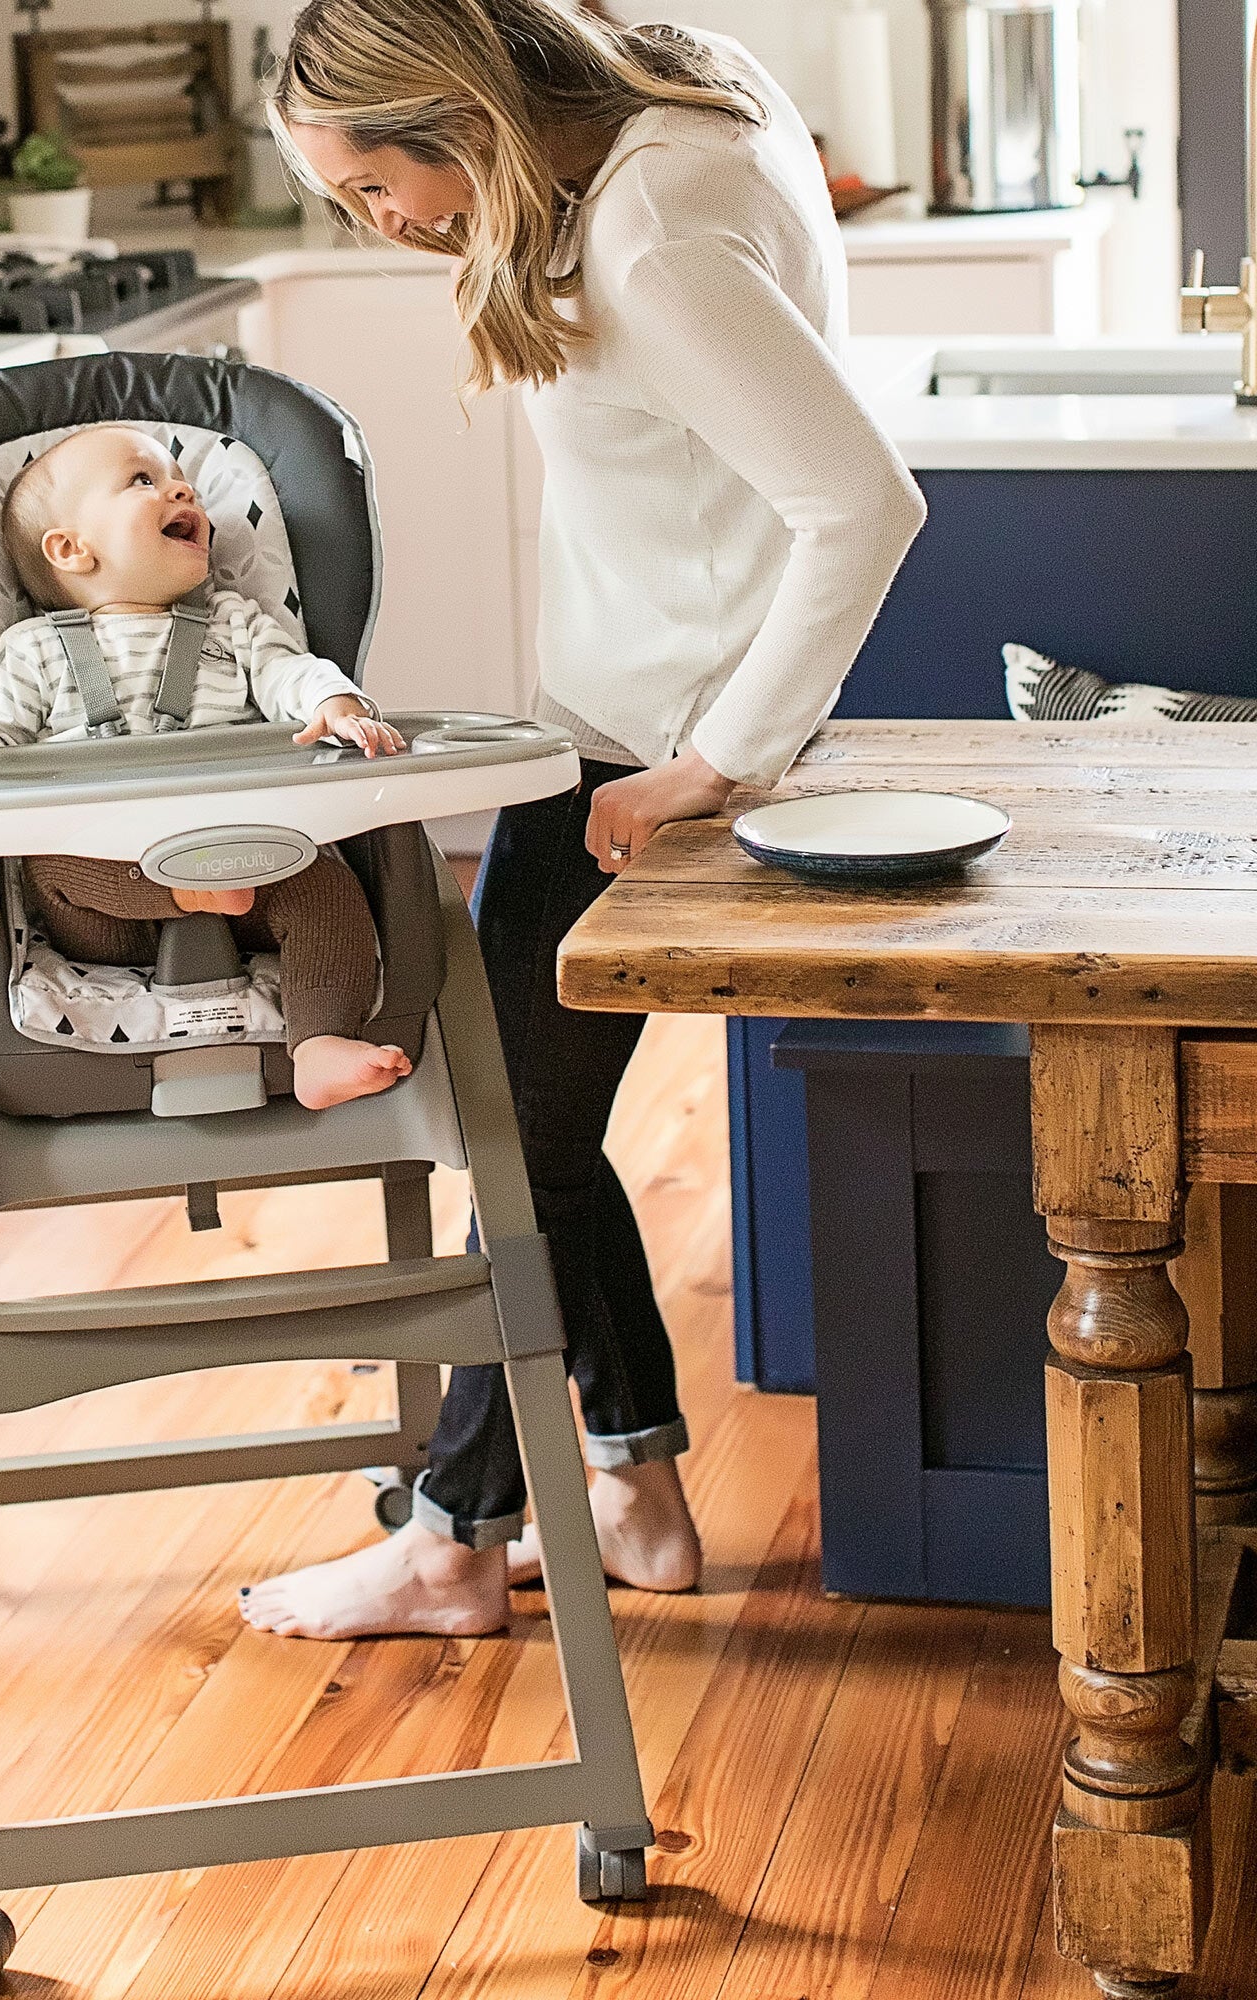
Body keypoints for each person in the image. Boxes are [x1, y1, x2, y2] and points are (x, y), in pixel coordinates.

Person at [238, 0, 925, 1640]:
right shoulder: (675, 93)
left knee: (511, 1125)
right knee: (530, 1121)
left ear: (455, 110)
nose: (376, 226)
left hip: (654, 740)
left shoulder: (645, 239)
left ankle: (459, 1536)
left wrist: (721, 758)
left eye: (368, 186)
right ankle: (633, 1489)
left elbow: (864, 504)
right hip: (629, 707)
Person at [0, 422, 416, 1110]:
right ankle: (188, 892)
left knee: (326, 890)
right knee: (50, 863)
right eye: (142, 481)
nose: (182, 487)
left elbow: (288, 673)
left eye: (182, 482)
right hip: (102, 907)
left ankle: (319, 1043)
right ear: (70, 548)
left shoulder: (233, 624)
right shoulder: (32, 649)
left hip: (249, 870)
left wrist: (333, 699)